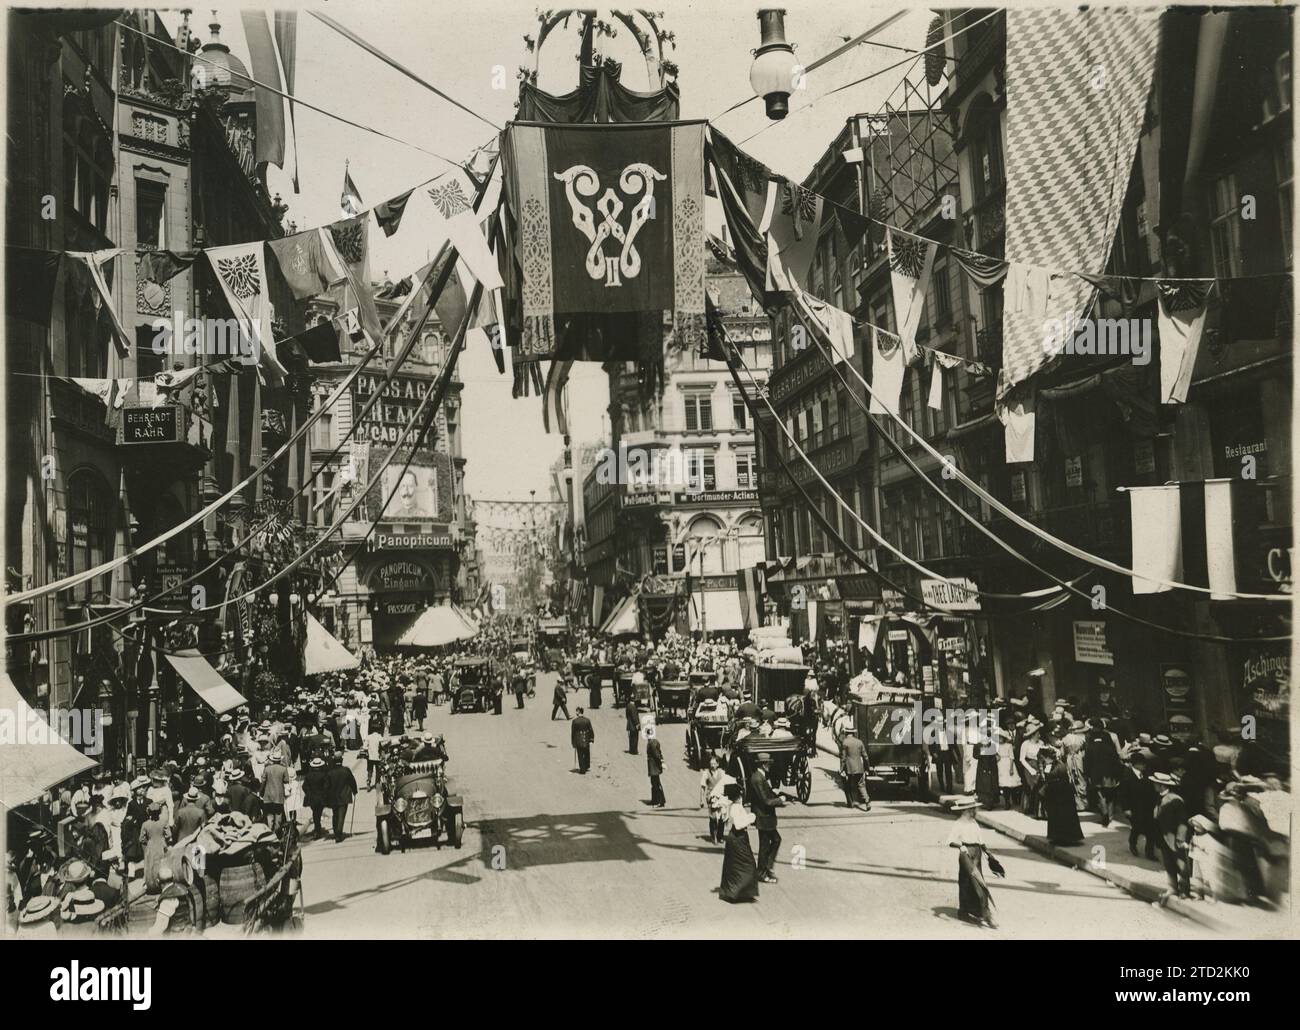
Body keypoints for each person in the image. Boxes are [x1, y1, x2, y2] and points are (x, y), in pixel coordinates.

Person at [946, 797, 1004, 928]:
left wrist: (988, 853)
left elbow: (980, 840)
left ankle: (972, 911)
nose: (975, 811)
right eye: (973, 809)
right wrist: (960, 846)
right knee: (976, 883)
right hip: (966, 854)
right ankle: (985, 915)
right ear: (966, 810)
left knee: (971, 881)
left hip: (977, 853)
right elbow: (950, 841)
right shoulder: (958, 824)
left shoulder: (973, 822)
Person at [1152, 771, 1191, 899]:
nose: (1154, 785)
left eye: (1156, 783)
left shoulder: (1175, 800)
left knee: (1181, 864)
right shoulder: (1160, 797)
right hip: (1164, 837)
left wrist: (1181, 838)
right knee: (1169, 864)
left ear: (1162, 785)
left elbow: (1182, 821)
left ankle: (1184, 890)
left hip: (1175, 838)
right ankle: (1173, 888)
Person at [718, 781, 760, 903]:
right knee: (747, 864)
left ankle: (737, 892)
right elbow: (738, 825)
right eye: (740, 795)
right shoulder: (735, 808)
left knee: (736, 866)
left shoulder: (735, 806)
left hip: (738, 838)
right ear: (738, 797)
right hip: (738, 838)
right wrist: (751, 817)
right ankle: (737, 893)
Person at [748, 753, 786, 883]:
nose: (770, 766)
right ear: (763, 764)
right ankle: (763, 872)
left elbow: (765, 794)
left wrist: (772, 791)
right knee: (766, 844)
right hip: (763, 816)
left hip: (766, 817)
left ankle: (766, 868)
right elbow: (765, 801)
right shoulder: (758, 778)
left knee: (774, 840)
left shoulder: (760, 776)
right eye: (768, 763)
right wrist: (779, 800)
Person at [1083, 718, 1124, 825]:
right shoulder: (1109, 741)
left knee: (1099, 793)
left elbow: (1087, 759)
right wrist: (1118, 773)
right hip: (1109, 772)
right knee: (1110, 795)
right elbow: (1115, 758)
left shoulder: (1091, 742)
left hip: (1096, 772)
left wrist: (1086, 773)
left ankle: (1104, 813)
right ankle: (1109, 816)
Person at [1041, 748, 1084, 845]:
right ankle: (1058, 837)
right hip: (1056, 793)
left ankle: (1065, 838)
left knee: (1063, 815)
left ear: (1049, 758)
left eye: (1045, 758)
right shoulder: (1052, 765)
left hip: (1062, 793)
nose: (1044, 760)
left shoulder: (1059, 766)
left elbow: (1055, 779)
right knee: (1056, 816)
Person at [326, 755, 359, 843]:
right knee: (341, 815)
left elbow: (326, 786)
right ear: (341, 760)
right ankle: (338, 834)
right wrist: (354, 790)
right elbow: (352, 781)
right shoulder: (346, 770)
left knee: (335, 814)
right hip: (344, 796)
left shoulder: (330, 772)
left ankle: (336, 831)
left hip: (333, 796)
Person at [838, 725, 870, 809]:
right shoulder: (859, 742)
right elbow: (865, 756)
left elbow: (843, 758)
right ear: (853, 733)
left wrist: (841, 769)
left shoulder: (845, 742)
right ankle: (867, 801)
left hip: (849, 769)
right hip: (859, 767)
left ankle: (850, 803)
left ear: (846, 733)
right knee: (861, 785)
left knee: (847, 785)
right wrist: (867, 767)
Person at [700, 754, 728, 843]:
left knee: (722, 817)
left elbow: (726, 784)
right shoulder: (706, 773)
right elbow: (703, 786)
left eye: (714, 764)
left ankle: (720, 836)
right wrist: (701, 799)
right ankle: (714, 836)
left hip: (721, 797)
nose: (712, 766)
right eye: (711, 764)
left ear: (718, 764)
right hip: (711, 798)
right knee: (713, 818)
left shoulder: (722, 773)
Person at [303, 757, 331, 839]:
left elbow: (304, 786)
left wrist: (308, 793)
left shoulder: (308, 775)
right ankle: (317, 829)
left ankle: (317, 828)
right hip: (320, 797)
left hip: (311, 798)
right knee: (318, 813)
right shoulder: (323, 775)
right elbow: (327, 786)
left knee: (315, 812)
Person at [261, 752, 288, 832]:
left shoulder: (267, 769)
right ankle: (277, 833)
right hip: (278, 796)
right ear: (280, 760)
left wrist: (261, 792)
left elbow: (263, 781)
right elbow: (286, 780)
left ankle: (270, 832)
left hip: (268, 796)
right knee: (278, 815)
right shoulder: (283, 769)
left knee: (269, 816)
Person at [571, 707, 594, 773]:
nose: (576, 713)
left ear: (579, 712)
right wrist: (591, 739)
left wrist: (573, 743)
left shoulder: (575, 721)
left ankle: (582, 769)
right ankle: (586, 766)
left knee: (580, 754)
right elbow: (590, 730)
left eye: (576, 711)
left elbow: (573, 733)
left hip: (578, 740)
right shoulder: (587, 720)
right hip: (586, 739)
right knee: (586, 753)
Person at [646, 734, 665, 807]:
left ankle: (659, 801)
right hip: (654, 767)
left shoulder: (652, 743)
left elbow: (657, 755)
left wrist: (661, 762)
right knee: (654, 783)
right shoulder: (654, 741)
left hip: (654, 766)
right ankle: (655, 800)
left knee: (656, 784)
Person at [365, 723, 383, 789]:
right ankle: (377, 783)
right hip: (378, 757)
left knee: (370, 770)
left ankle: (368, 782)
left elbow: (365, 747)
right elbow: (382, 746)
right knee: (378, 770)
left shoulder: (368, 737)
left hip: (370, 757)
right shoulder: (380, 737)